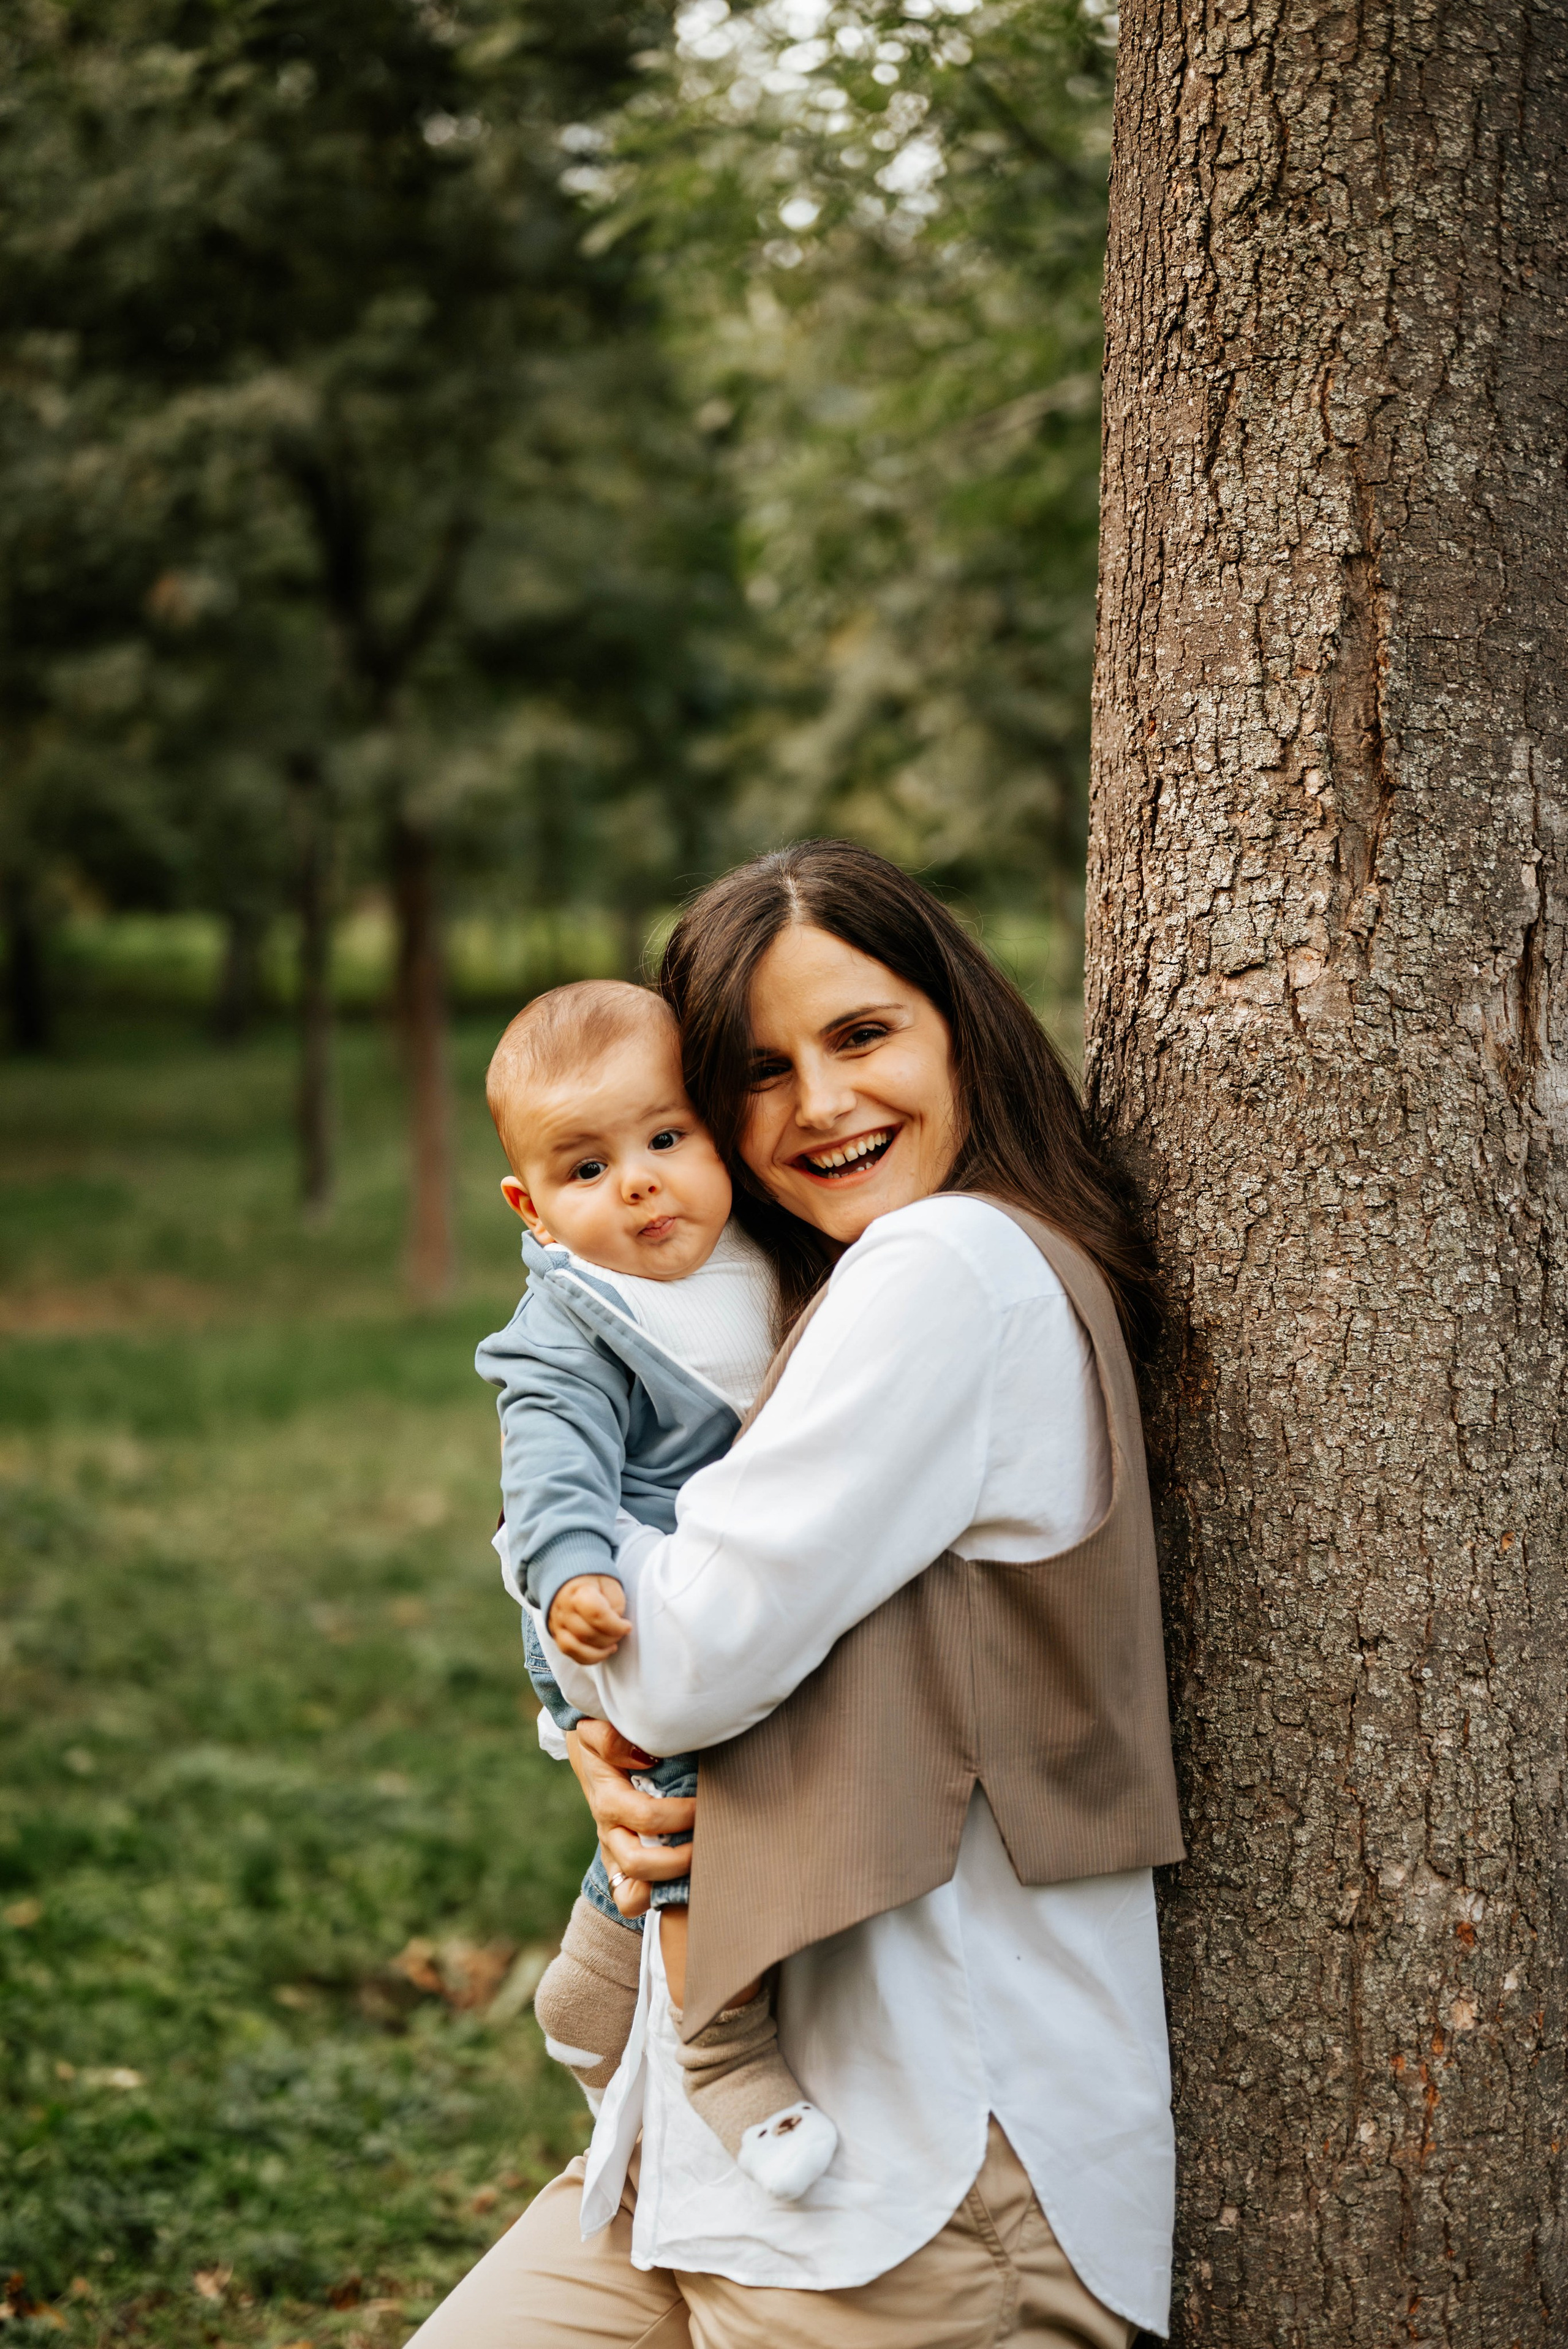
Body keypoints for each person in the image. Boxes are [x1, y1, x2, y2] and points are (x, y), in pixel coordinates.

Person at [410, 840, 1183, 2349]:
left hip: (915, 2168)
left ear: (958, 1026)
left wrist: (565, 1601)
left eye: (862, 1033)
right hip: (696, 2157)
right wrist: (587, 1736)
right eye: (758, 1072)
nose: (821, 1103)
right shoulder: (805, 1296)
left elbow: (681, 1659)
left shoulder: (947, 1265)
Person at [475, 979, 836, 2195]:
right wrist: (572, 1573)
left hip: (714, 1579)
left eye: (665, 1139)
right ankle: (720, 2043)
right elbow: (549, 1466)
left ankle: (591, 1983)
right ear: (531, 1205)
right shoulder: (573, 1323)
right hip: (615, 1601)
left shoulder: (759, 1243)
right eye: (586, 1169)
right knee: (694, 1796)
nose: (637, 1184)